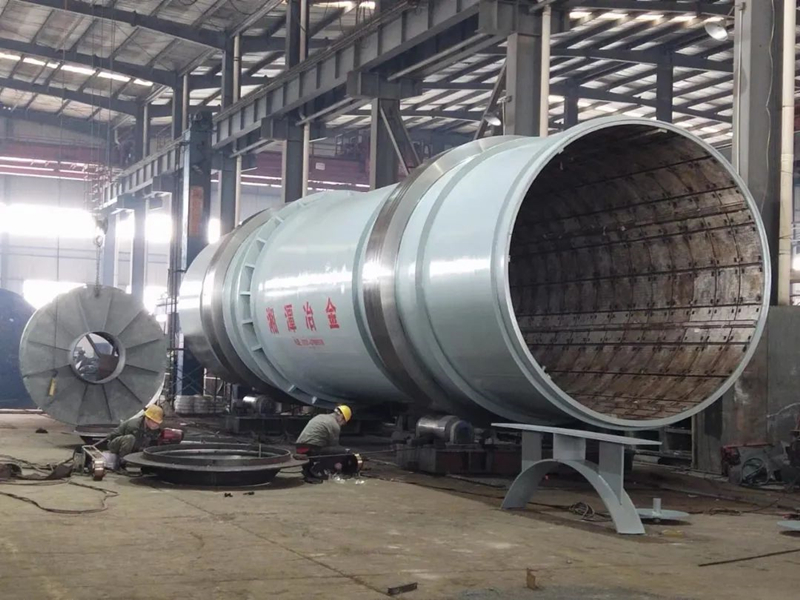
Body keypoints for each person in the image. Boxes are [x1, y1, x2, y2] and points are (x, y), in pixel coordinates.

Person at [295, 405, 352, 483]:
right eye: (344, 422)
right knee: (343, 452)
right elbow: (334, 446)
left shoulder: (320, 416)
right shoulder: (334, 425)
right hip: (311, 449)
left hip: (299, 446)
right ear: (341, 417)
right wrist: (338, 463)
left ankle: (309, 470)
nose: (342, 424)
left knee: (324, 449)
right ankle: (316, 469)